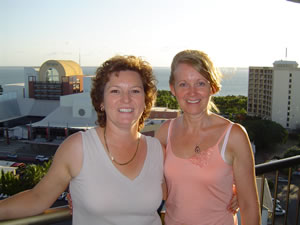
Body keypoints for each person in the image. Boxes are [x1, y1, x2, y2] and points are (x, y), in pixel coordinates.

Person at [0, 55, 165, 225]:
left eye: (135, 91)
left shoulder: (157, 150)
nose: (126, 99)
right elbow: (38, 197)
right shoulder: (78, 147)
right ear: (101, 101)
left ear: (145, 100)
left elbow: (175, 196)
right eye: (115, 90)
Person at [155, 50, 261, 225]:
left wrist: (234, 191)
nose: (192, 92)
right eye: (183, 84)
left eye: (200, 83)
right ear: (173, 89)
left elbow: (249, 206)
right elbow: (159, 189)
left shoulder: (233, 135)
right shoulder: (165, 132)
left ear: (213, 87)